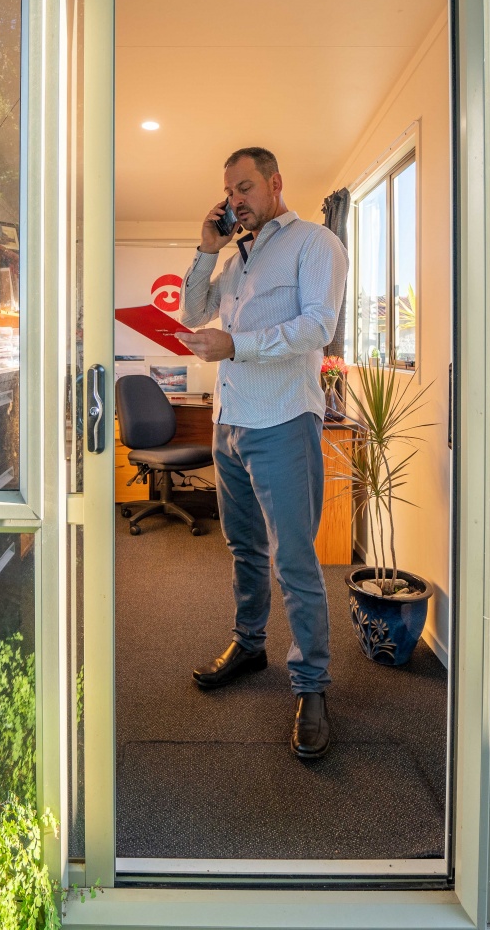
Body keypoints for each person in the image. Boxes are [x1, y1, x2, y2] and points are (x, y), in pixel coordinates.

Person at [178, 146, 349, 761]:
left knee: (295, 561)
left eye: (245, 187)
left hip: (282, 419)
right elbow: (194, 311)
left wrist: (237, 344)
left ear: (276, 183)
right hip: (230, 423)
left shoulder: (314, 243)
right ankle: (250, 644)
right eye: (229, 192)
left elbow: (316, 327)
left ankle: (311, 685)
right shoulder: (236, 261)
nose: (235, 201)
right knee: (243, 548)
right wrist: (205, 249)